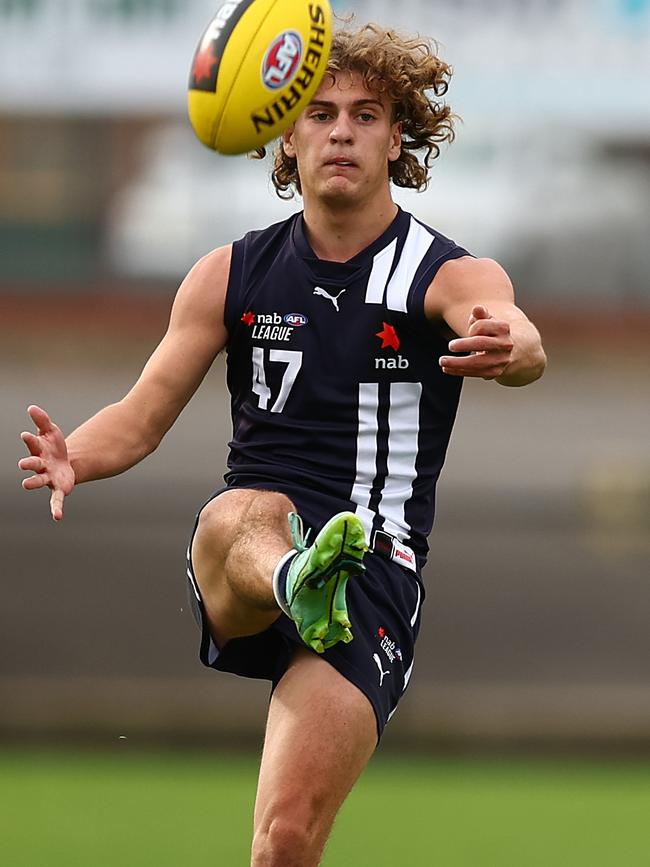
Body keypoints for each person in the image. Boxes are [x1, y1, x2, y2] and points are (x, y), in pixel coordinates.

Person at [19, 23, 546, 867]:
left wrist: (519, 348)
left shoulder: (444, 273)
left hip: (375, 571)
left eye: (366, 115)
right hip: (250, 553)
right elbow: (144, 411)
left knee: (283, 843)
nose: (342, 131)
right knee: (247, 508)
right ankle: (298, 577)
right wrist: (76, 453)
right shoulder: (229, 275)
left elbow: (511, 328)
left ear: (395, 137)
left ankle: (320, 584)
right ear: (288, 133)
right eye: (324, 112)